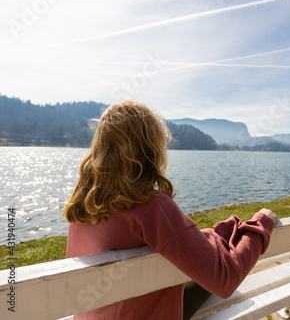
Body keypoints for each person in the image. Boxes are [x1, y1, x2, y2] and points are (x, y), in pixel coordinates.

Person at [63, 100, 278, 320]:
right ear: (150, 147)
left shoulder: (83, 204)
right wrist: (262, 223)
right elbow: (224, 280)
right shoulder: (151, 206)